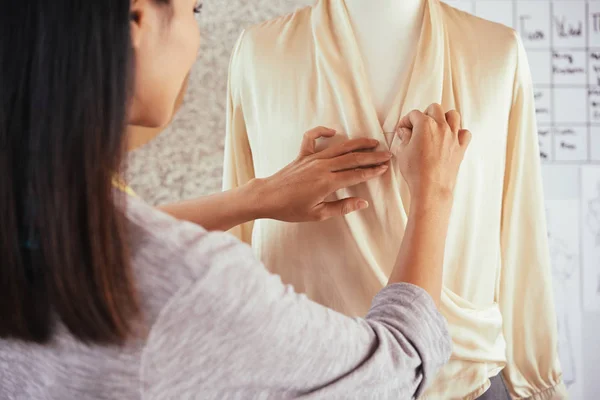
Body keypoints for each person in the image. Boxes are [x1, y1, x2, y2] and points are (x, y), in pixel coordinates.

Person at [0, 1, 470, 399]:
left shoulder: (28, 217)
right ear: (138, 20)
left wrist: (255, 197)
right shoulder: (190, 289)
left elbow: (102, 244)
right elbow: (400, 364)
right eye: (194, 8)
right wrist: (434, 192)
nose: (195, 34)